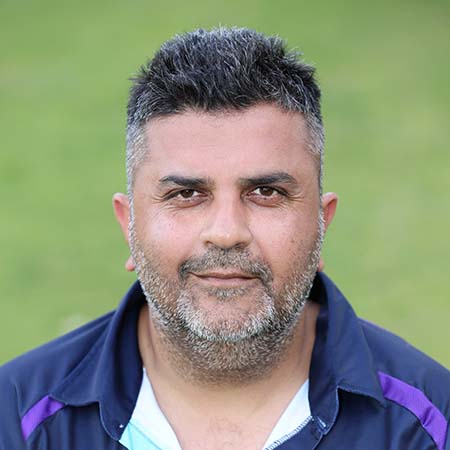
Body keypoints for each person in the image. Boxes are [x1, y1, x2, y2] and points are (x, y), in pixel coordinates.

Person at [0, 27, 449, 450]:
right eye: (186, 194)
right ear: (128, 224)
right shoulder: (16, 418)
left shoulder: (429, 424)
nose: (227, 232)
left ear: (321, 222)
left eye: (266, 192)